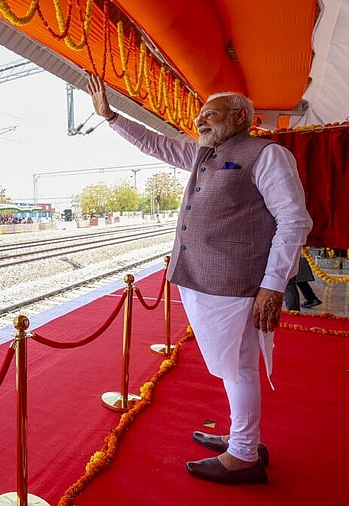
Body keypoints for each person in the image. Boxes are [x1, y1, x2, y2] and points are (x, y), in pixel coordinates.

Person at [87, 74, 313, 484]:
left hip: (238, 284)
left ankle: (244, 454)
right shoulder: (202, 153)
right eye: (199, 115)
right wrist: (111, 118)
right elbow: (155, 143)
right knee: (231, 367)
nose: (200, 121)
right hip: (202, 280)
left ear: (240, 116)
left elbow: (294, 221)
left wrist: (273, 285)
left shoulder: (267, 155)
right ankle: (243, 437)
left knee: (240, 367)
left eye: (211, 114)